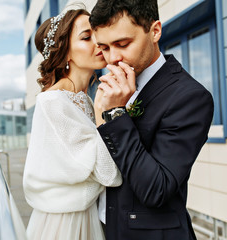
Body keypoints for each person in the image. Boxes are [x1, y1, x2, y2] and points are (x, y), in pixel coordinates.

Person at [89, 0, 214, 239]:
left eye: (122, 44)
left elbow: (156, 189)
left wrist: (116, 115)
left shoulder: (190, 97)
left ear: (155, 31)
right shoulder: (108, 89)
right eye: (104, 48)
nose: (112, 59)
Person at [23, 8, 122, 240]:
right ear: (64, 52)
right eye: (86, 37)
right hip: (66, 223)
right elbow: (110, 175)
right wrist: (103, 112)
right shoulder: (54, 102)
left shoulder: (84, 100)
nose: (98, 42)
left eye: (96, 34)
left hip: (87, 214)